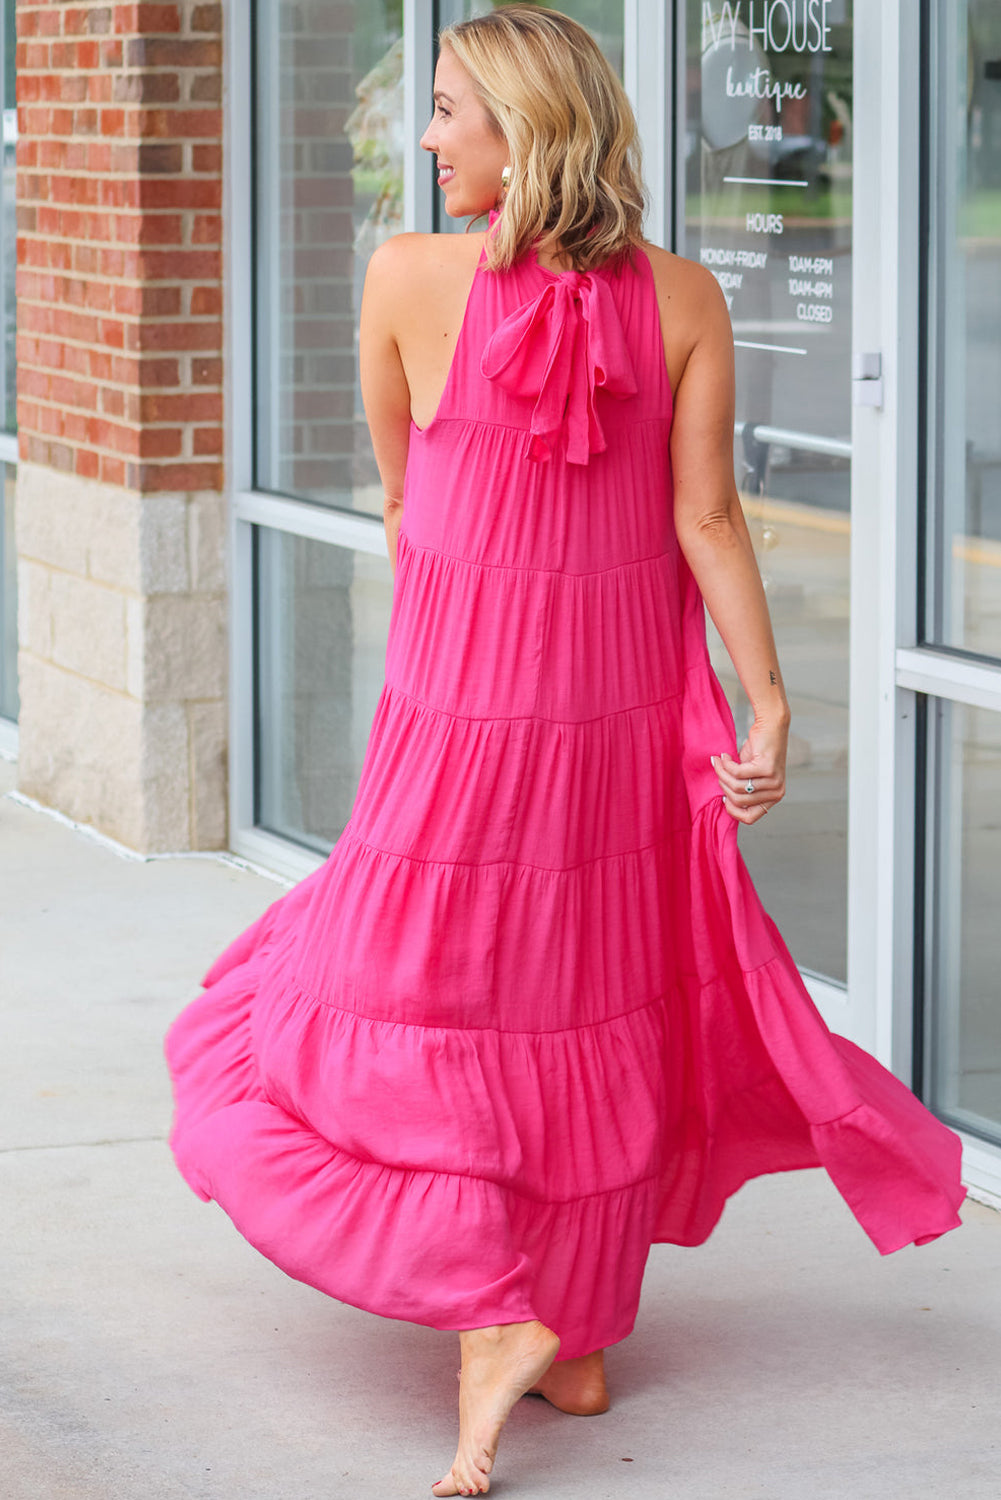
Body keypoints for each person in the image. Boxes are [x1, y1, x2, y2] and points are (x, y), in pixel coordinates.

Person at [165, 8, 965, 1496]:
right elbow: (706, 520)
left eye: (448, 108)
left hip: (460, 706)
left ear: (525, 127)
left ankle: (495, 1305)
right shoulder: (681, 295)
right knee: (579, 989)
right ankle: (572, 1322)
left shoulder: (408, 276)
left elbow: (408, 499)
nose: (424, 137)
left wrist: (468, 645)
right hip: (609, 711)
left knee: (429, 981)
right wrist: (764, 698)